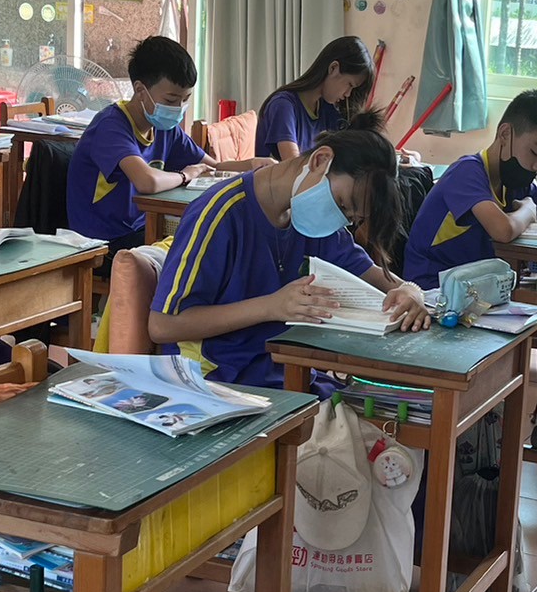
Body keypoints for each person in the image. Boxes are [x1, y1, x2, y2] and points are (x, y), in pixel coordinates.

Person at [148, 114, 430, 394]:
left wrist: (410, 290)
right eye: (343, 204)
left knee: (393, 405)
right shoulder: (221, 214)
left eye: (351, 218)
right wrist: (271, 307)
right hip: (217, 381)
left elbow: (372, 275)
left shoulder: (312, 219)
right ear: (320, 160)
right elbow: (162, 326)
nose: (341, 219)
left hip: (287, 373)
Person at [402, 89, 537, 453]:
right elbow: (503, 230)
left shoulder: (515, 182)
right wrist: (529, 209)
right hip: (435, 297)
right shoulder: (467, 172)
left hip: (478, 295)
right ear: (505, 134)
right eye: (535, 152)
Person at [66, 36, 270, 267]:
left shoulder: (164, 127)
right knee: (204, 254)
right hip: (104, 242)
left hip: (144, 229)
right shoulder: (110, 127)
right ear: (140, 90)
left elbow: (211, 167)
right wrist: (185, 175)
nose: (178, 109)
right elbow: (147, 182)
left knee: (227, 241)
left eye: (185, 100)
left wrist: (254, 165)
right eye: (171, 99)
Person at [255, 36, 375, 160]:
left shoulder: (328, 111)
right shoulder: (283, 105)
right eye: (349, 84)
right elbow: (294, 165)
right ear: (333, 68)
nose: (348, 94)